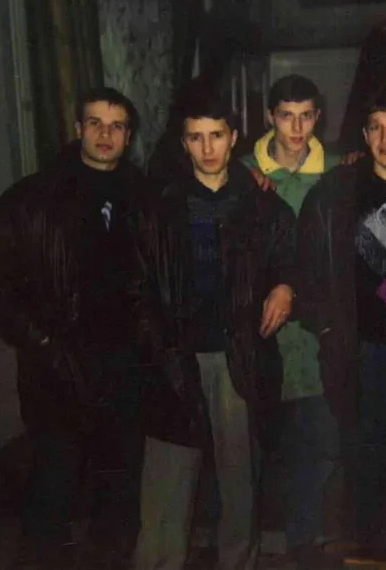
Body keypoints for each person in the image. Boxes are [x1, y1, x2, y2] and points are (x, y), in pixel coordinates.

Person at [0, 88, 148, 569]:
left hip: (126, 368)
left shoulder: (145, 196)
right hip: (57, 368)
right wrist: (40, 341)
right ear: (77, 129)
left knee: (118, 493)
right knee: (53, 486)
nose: (105, 134)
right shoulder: (32, 198)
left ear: (129, 135)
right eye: (95, 123)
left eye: (116, 126)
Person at [132, 86, 297, 570]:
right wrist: (157, 349)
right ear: (183, 143)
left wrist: (286, 286)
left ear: (234, 137)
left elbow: (293, 258)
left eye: (216, 136)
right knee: (165, 484)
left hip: (238, 357)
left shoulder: (263, 206)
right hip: (174, 358)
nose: (207, 148)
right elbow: (135, 287)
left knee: (240, 481)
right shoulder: (157, 208)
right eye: (196, 138)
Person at [296, 84, 386, 561]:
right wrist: (328, 329)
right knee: (365, 470)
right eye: (375, 127)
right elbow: (304, 268)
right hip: (359, 351)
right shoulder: (336, 192)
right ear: (365, 135)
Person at [240, 74, 341, 566]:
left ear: (317, 117)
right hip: (259, 335)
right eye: (286, 116)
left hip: (317, 337)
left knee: (318, 444)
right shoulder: (241, 172)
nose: (297, 128)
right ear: (270, 117)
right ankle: (251, 542)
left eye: (306, 116)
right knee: (252, 450)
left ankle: (304, 542)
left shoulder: (338, 172)